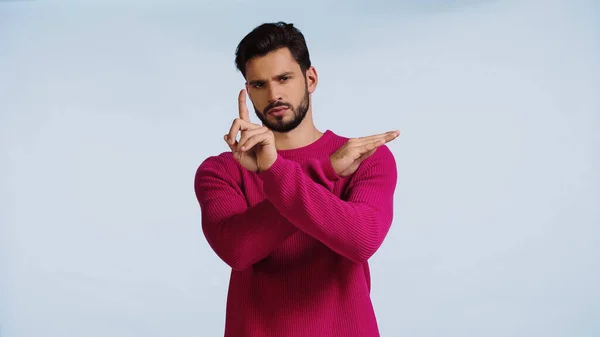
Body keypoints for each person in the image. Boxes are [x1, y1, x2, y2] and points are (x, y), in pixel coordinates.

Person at [194, 21, 400, 337]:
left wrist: (278, 173)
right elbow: (238, 250)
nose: (274, 94)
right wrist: (323, 172)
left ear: (310, 78)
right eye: (259, 85)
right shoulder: (221, 171)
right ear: (248, 93)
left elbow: (361, 241)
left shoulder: (363, 158)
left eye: (284, 78)